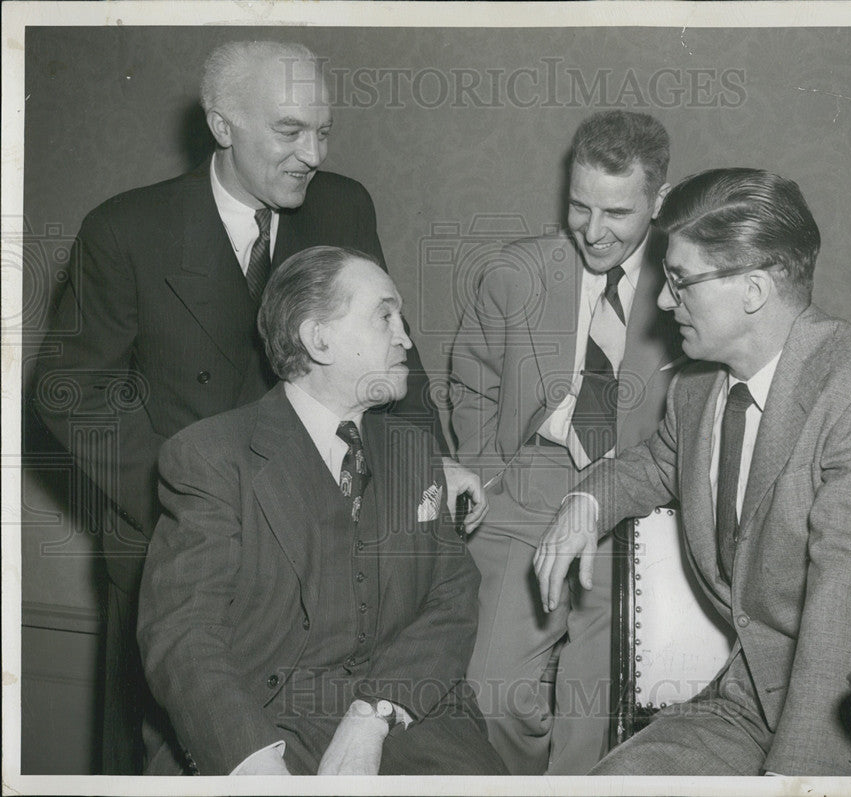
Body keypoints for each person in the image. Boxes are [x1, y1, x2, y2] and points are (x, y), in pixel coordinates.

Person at [29, 40, 482, 773]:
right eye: (291, 131)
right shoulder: (125, 230)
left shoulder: (343, 203)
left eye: (324, 131)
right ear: (222, 124)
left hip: (328, 555)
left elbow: (388, 341)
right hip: (178, 544)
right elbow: (69, 388)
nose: (313, 152)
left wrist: (430, 460)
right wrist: (205, 499)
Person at [534, 167, 851, 776]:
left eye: (680, 281)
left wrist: (793, 782)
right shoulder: (697, 390)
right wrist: (586, 504)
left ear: (752, 290)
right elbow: (657, 463)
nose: (662, 301)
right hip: (749, 702)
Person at [136, 245, 506, 776]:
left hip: (397, 715)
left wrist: (374, 715)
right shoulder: (212, 456)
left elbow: (451, 598)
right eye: (385, 316)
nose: (405, 337)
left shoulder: (415, 452)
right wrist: (253, 762)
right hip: (264, 726)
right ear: (319, 339)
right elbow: (183, 635)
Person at [449, 111, 682, 774]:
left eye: (617, 212)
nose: (594, 231)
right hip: (528, 483)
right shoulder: (517, 272)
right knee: (492, 694)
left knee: (596, 711)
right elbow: (472, 381)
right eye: (580, 207)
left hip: (634, 498)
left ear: (659, 201)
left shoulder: (687, 281)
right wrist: (488, 477)